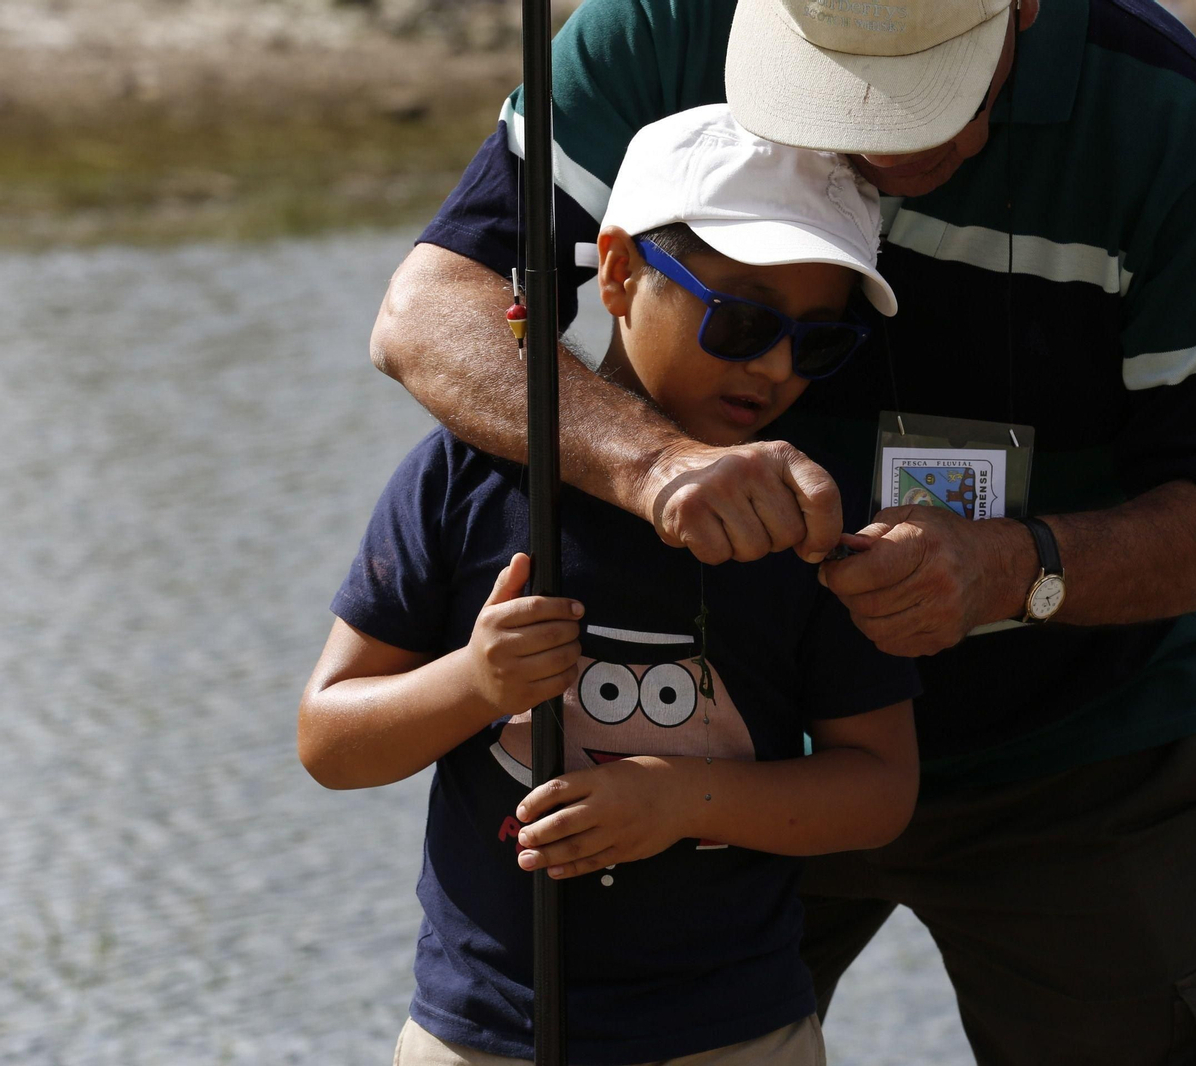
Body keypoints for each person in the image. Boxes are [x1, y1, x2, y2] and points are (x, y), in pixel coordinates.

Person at [370, 0, 1196, 1062]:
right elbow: (430, 309)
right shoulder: (657, 27)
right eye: (847, 77)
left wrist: (1012, 569)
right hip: (727, 756)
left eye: (941, 82)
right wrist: (658, 465)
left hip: (1078, 756)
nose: (897, 135)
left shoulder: (1168, 117)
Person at [300, 104, 922, 1065]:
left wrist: (684, 800)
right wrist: (474, 684)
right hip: (483, 1033)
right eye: (744, 318)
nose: (773, 366)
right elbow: (330, 740)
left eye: (817, 342)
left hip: (737, 1033)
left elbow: (879, 789)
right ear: (622, 273)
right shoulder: (467, 475)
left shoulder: (811, 512)